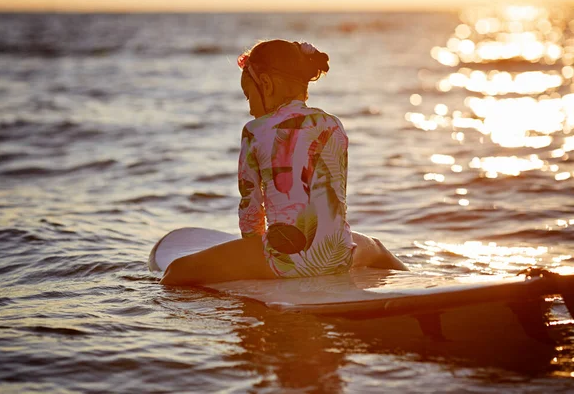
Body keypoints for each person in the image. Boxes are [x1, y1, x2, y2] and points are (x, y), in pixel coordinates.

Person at [161, 39, 407, 286]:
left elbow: (251, 208)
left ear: (266, 84)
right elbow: (335, 197)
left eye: (249, 97)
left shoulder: (255, 130)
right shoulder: (333, 125)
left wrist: (252, 257)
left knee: (175, 272)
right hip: (339, 254)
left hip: (286, 258)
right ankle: (420, 282)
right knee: (377, 248)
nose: (250, 109)